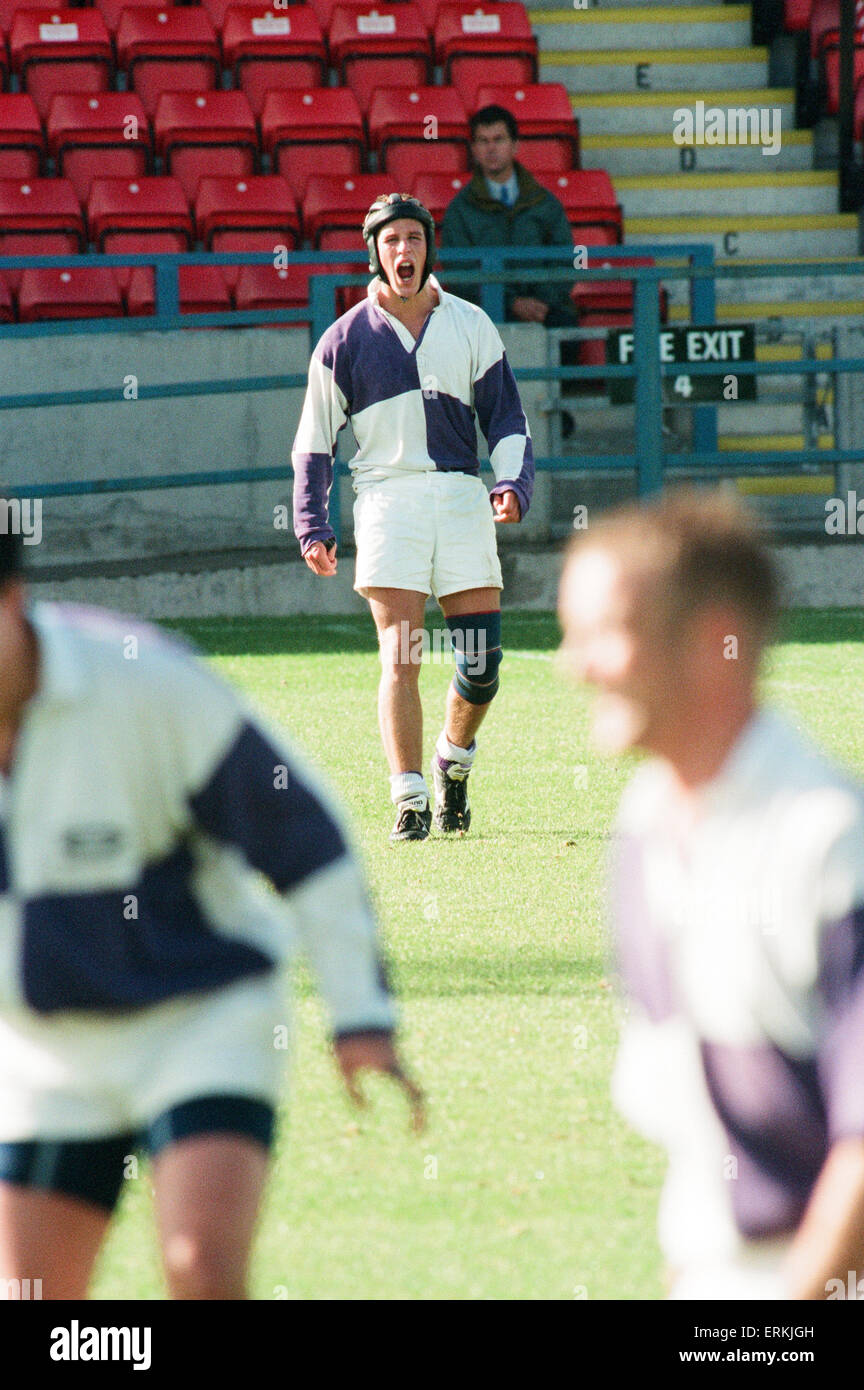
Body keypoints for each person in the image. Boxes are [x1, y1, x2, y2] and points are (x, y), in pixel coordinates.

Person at [0, 526, 423, 1300]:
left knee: (200, 1267)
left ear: (15, 599)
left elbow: (307, 840)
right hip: (43, 1048)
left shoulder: (144, 685)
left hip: (201, 1018)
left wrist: (360, 1015)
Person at [557, 489, 864, 1300]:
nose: (573, 664)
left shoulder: (830, 845)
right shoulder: (647, 825)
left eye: (605, 635)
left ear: (715, 642)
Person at [292, 192, 534, 843]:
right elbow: (315, 440)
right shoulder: (343, 338)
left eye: (414, 239)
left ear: (430, 248)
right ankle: (410, 798)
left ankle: (453, 763)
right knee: (401, 654)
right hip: (387, 502)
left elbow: (507, 418)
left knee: (482, 663)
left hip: (460, 496)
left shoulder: (471, 323)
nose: (404, 251)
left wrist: (510, 481)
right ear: (376, 251)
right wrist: (312, 522)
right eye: (392, 240)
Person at [441, 104, 578, 327]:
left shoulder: (545, 203)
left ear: (515, 145)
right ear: (474, 149)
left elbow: (564, 259)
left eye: (498, 139)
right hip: (482, 316)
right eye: (483, 141)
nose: (491, 149)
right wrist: (512, 303)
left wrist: (539, 304)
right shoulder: (460, 210)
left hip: (546, 312)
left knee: (567, 328)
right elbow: (461, 275)